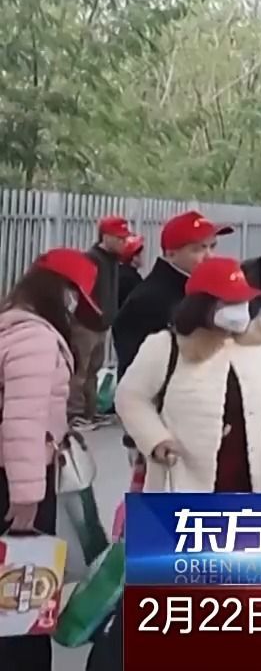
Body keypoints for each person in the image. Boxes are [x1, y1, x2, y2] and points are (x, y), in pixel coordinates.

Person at [116, 257, 261, 492]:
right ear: (202, 305)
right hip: (184, 481)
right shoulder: (167, 346)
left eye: (243, 301)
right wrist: (156, 439)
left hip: (247, 481)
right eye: (229, 302)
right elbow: (130, 397)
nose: (240, 309)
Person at [0, 249, 95, 671]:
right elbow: (23, 418)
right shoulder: (35, 338)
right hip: (22, 479)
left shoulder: (12, 324)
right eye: (74, 294)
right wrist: (26, 496)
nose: (74, 306)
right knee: (23, 595)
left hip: (18, 473)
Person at [114, 210, 231, 376]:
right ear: (171, 254)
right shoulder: (147, 300)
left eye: (212, 246)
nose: (209, 256)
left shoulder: (198, 290)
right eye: (198, 249)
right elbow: (136, 372)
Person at [72, 216, 131, 428]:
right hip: (85, 324)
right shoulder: (91, 259)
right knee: (80, 371)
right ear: (105, 237)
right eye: (120, 238)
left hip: (102, 324)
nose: (124, 243)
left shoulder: (112, 260)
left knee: (93, 370)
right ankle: (74, 414)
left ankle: (90, 411)